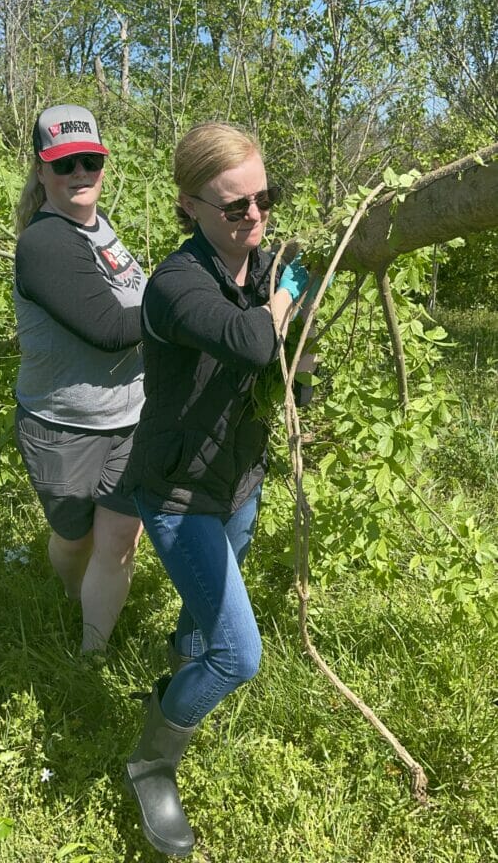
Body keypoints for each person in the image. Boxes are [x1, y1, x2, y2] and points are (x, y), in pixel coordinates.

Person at [121, 121, 312, 856]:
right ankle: (150, 763)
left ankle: (178, 667)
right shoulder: (175, 283)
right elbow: (251, 343)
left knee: (203, 629)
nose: (254, 217)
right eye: (235, 207)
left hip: (237, 480)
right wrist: (282, 303)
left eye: (265, 198)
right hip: (176, 493)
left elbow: (287, 352)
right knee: (238, 655)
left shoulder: (259, 266)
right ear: (189, 205)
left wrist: (288, 294)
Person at [13, 103, 146, 655]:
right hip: (64, 426)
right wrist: (189, 303)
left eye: (90, 160)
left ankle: (92, 655)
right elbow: (111, 329)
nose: (80, 174)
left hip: (132, 418)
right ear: (41, 170)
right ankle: (72, 596)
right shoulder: (44, 243)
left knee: (117, 541)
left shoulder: (100, 225)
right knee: (76, 542)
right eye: (65, 164)